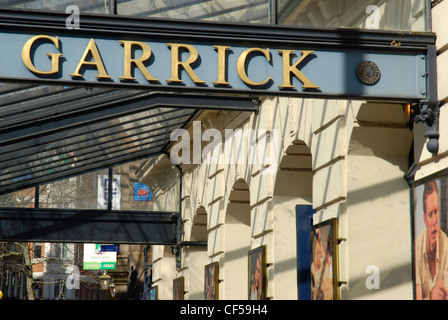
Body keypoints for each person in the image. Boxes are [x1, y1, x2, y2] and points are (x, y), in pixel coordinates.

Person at [415, 180, 448, 300]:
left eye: (436, 212)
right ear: (424, 219)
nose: (434, 221)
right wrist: (431, 296)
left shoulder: (446, 246)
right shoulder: (418, 246)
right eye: (430, 214)